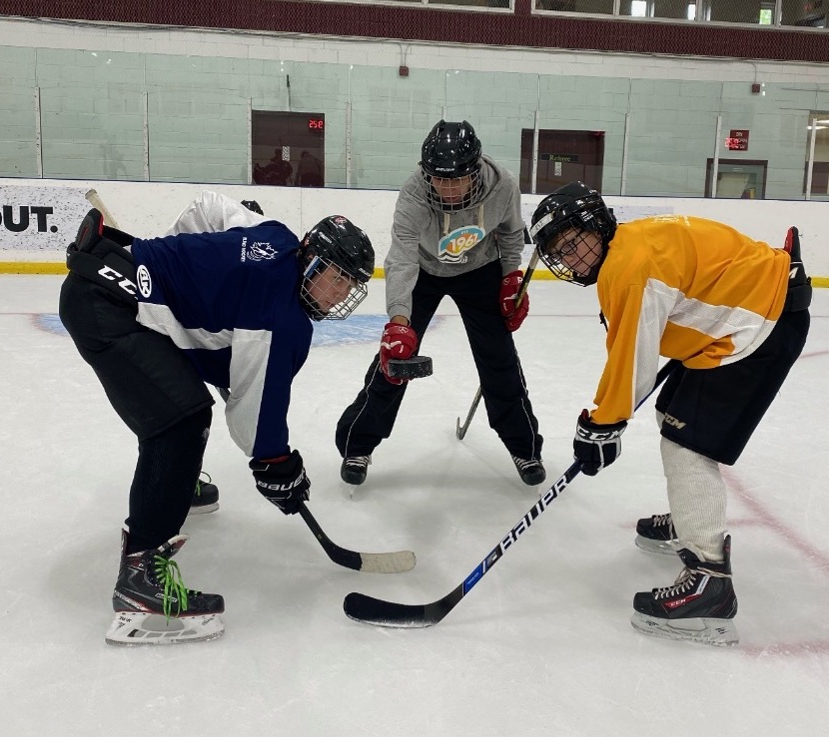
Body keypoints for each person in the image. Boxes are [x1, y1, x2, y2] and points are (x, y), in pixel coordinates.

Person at [59, 206, 374, 645]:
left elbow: (207, 207)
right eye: (337, 279)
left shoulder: (274, 235)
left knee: (176, 403)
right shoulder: (281, 317)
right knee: (180, 420)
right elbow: (254, 418)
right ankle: (140, 585)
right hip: (109, 308)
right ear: (313, 261)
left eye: (350, 286)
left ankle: (175, 483)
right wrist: (277, 466)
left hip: (108, 281)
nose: (340, 295)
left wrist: (175, 263)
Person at [528, 182, 812, 646]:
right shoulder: (629, 245)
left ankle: (710, 581)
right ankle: (691, 517)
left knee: (686, 441)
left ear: (597, 226)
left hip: (760, 322)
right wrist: (608, 419)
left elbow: (631, 360)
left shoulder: (628, 268)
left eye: (575, 241)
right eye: (560, 252)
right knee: (672, 413)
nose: (572, 258)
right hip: (749, 307)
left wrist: (602, 423)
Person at [335, 120, 544, 487]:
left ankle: (525, 448)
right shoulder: (414, 193)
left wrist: (511, 279)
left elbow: (511, 233)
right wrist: (399, 322)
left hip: (481, 270)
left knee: (499, 360)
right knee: (394, 359)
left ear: (475, 170)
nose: (446, 187)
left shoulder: (503, 186)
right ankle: (357, 444)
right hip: (425, 271)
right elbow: (400, 257)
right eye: (437, 178)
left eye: (455, 179)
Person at [163, 193, 271, 515]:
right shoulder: (199, 260)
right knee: (183, 414)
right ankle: (177, 485)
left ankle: (182, 480)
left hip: (201, 346)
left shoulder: (256, 278)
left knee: (190, 414)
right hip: (164, 339)